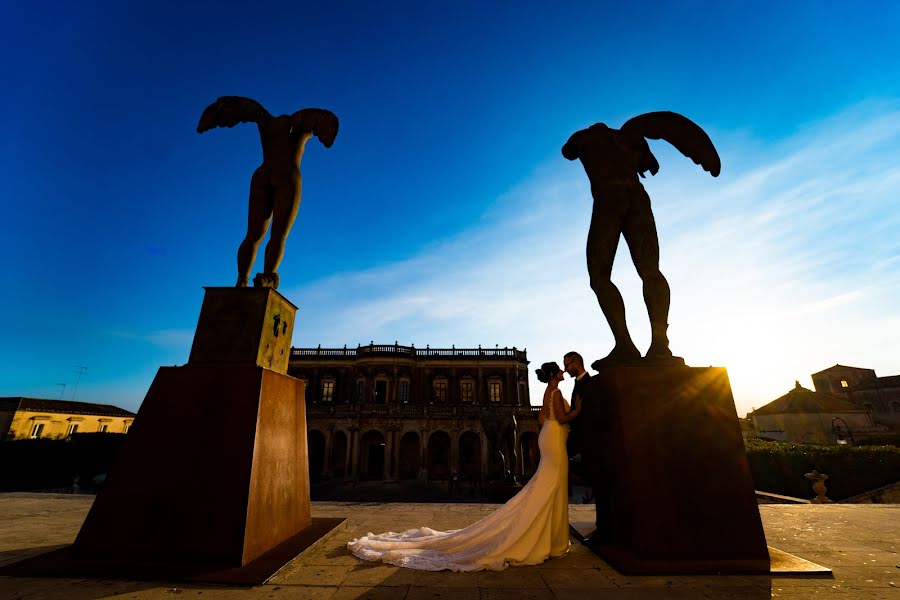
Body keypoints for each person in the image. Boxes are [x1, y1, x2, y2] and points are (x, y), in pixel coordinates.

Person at [347, 361, 581, 571]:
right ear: (554, 373)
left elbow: (542, 419)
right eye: (561, 368)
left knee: (545, 485)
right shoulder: (557, 392)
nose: (563, 370)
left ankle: (542, 532)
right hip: (555, 439)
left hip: (548, 437)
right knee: (550, 485)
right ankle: (549, 537)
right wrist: (578, 411)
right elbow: (560, 419)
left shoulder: (548, 392)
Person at [561, 112, 719, 366]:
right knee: (650, 271)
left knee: (599, 277)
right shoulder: (631, 135)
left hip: (608, 200)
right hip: (638, 199)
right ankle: (660, 345)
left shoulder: (583, 137)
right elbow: (651, 166)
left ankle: (625, 345)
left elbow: (568, 152)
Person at [197, 96, 339, 289]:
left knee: (253, 235)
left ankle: (242, 279)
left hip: (262, 174)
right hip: (288, 175)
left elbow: (238, 108)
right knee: (279, 234)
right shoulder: (303, 123)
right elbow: (328, 133)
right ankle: (268, 276)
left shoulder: (265, 121)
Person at [563, 350, 609, 545]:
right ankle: (602, 527)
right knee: (596, 485)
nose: (565, 370)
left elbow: (594, 416)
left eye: (567, 365)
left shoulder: (589, 384)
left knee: (599, 486)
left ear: (576, 363)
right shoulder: (581, 383)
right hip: (584, 443)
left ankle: (603, 528)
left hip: (591, 443)